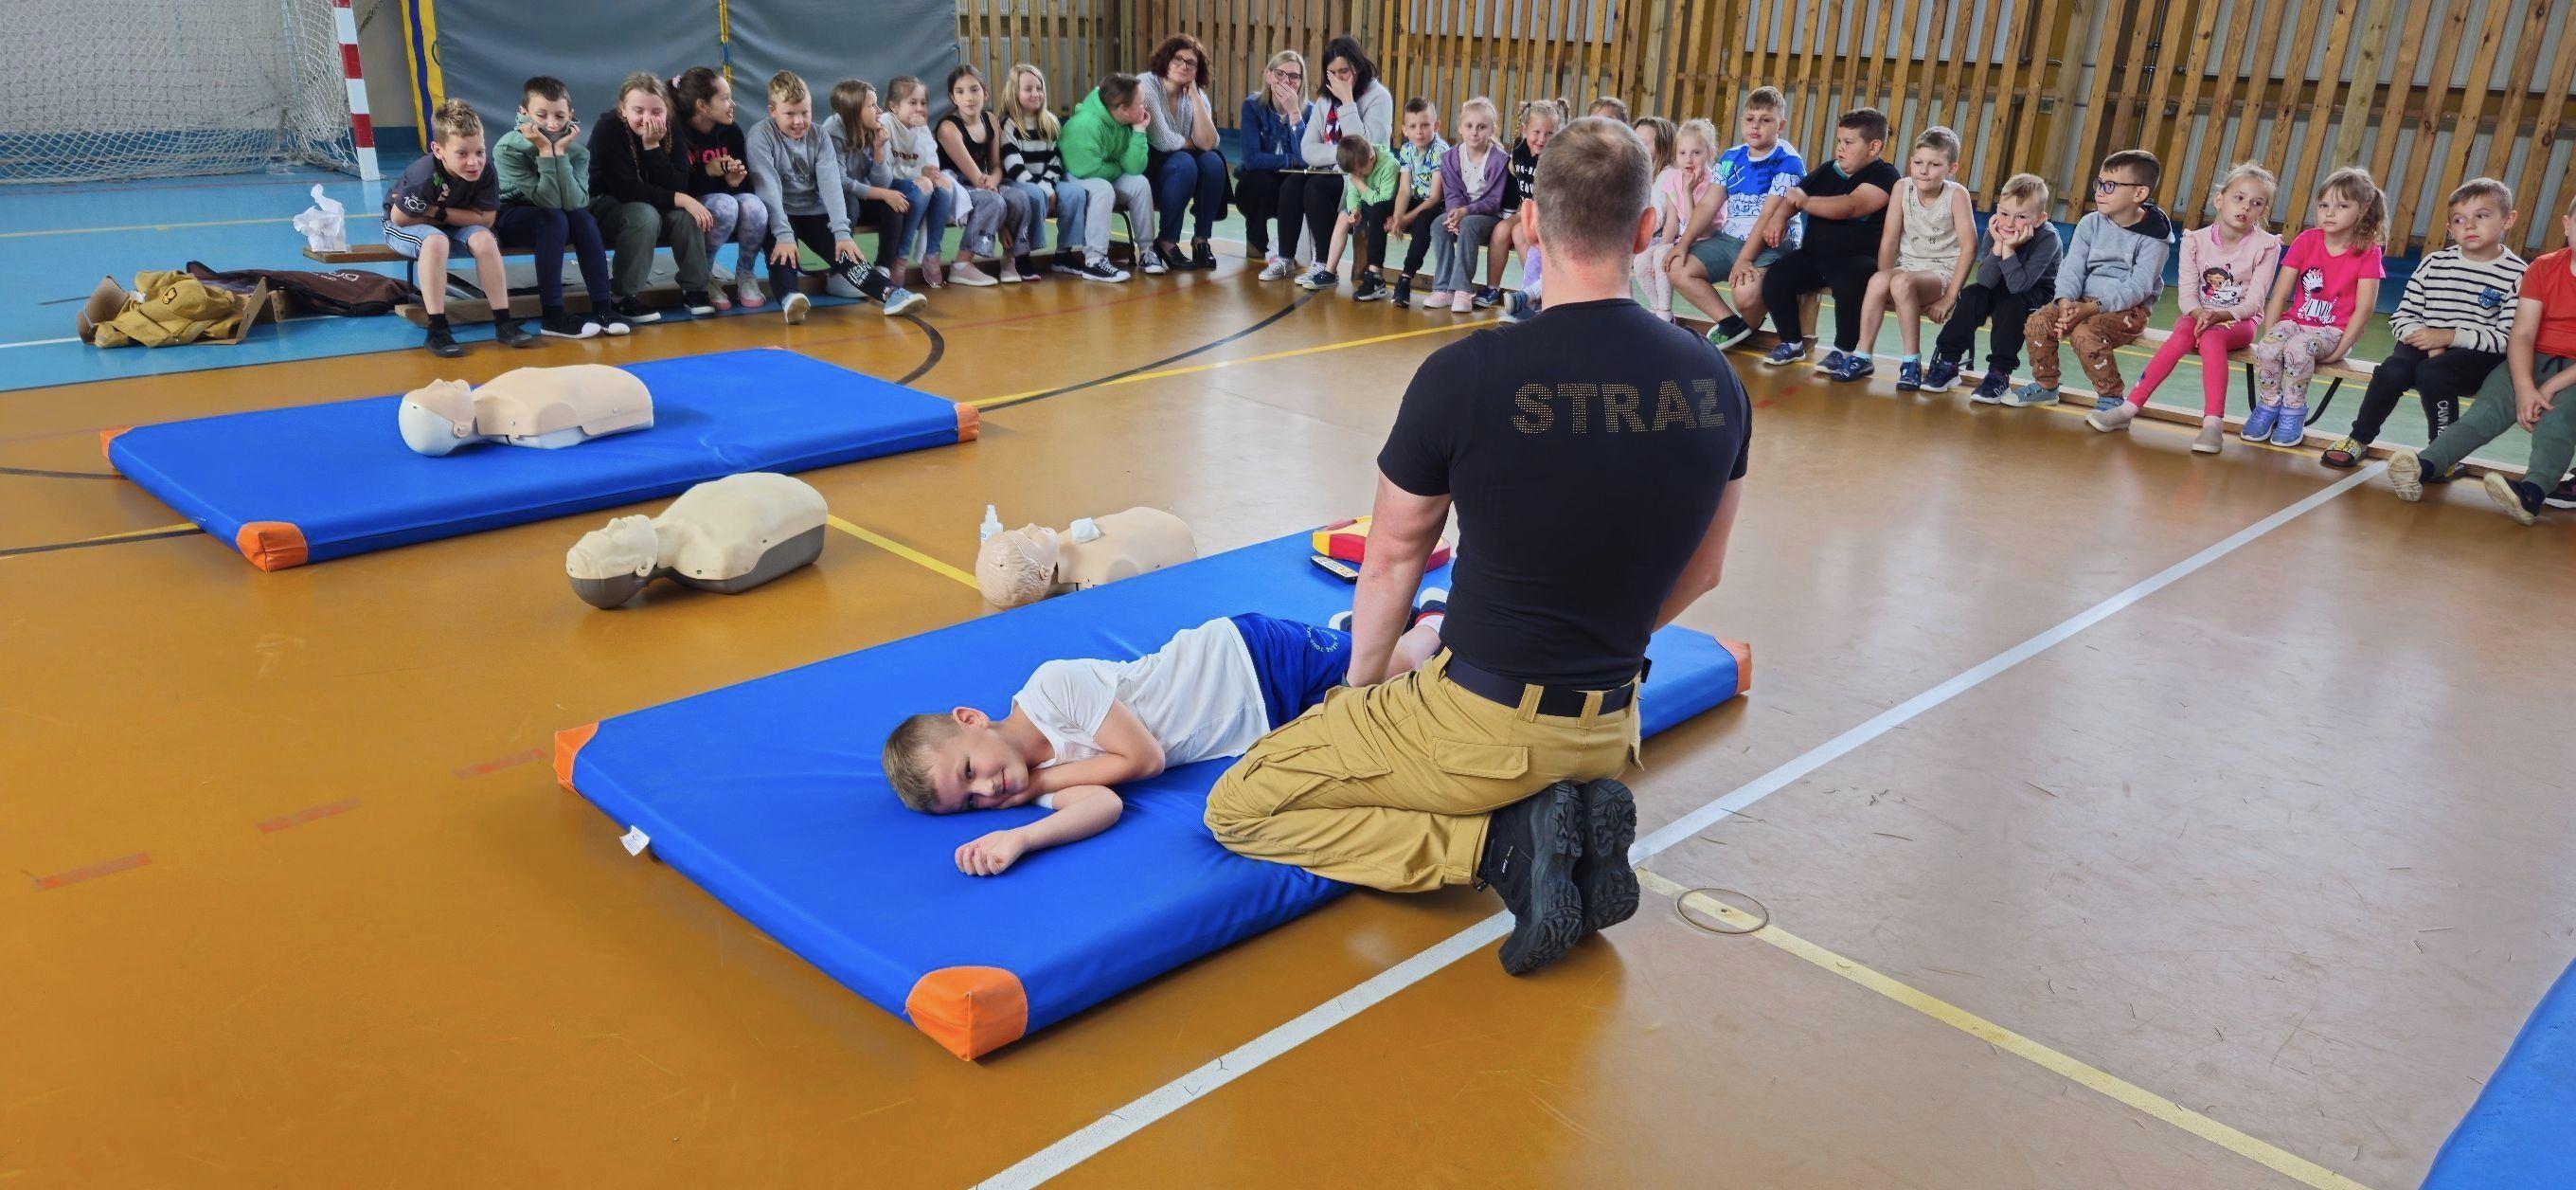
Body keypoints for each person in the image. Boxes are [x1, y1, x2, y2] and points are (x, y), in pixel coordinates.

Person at [1206, 117, 1752, 978]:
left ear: (1530, 224)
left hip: (1482, 725)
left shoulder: (1471, 375)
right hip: (1611, 724)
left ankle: (1500, 847)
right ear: (1647, 230)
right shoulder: (1714, 376)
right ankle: (1543, 815)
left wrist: (1355, 699)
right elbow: (1708, 569)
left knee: (1240, 804)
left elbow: (1390, 560)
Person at [884, 605, 1447, 875]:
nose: (987, 789)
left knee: (1397, 669)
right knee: (1373, 714)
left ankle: (1435, 618)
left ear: (971, 718)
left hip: (1251, 657)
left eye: (968, 773)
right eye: (973, 802)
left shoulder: (1053, 688)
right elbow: (1103, 803)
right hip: (1262, 722)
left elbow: (1143, 760)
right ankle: (1356, 635)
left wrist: (1040, 781)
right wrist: (1022, 837)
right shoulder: (1021, 791)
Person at [2388, 192, 2576, 524]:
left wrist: (2546, 390)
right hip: (2530, 358)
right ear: (2566, 225)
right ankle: (2426, 465)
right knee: (2486, 412)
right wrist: (2523, 385)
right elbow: (2521, 335)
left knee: (2557, 421)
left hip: (2572, 372)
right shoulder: (2544, 268)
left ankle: (2531, 493)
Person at [2324, 177, 2526, 471]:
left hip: (2475, 354)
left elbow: (2506, 338)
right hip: (2422, 341)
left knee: (2435, 372)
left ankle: (2443, 452)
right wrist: (2423, 337)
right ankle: (2359, 438)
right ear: (2449, 228)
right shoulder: (2434, 263)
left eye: (2481, 216)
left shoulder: (2518, 274)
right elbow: (2403, 315)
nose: (2469, 226)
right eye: (2459, 220)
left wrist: (2448, 337)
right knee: (2392, 371)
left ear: (2508, 219)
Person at [2083, 162, 2280, 451]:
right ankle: (2128, 410)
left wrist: (2222, 315)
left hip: (2237, 320)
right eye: (2238, 198)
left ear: (2262, 211)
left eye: (2256, 203)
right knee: (2182, 334)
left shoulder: (2266, 246)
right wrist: (2200, 312)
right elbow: (2187, 294)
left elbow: (2253, 302)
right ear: (2220, 200)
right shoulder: (2195, 241)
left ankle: (2213, 425)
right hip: (2198, 315)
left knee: (2212, 336)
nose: (2245, 207)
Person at [744, 70, 926, 324]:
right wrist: (784, 234)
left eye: (805, 113)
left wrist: (842, 234)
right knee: (782, 252)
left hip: (813, 211)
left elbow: (831, 185)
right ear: (772, 111)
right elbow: (768, 187)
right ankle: (790, 297)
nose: (799, 121)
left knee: (847, 255)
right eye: (790, 114)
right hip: (779, 212)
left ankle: (890, 293)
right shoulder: (760, 135)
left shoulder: (819, 136)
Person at [2009, 148, 2173, 410]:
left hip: (2127, 308)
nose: (2100, 191)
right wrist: (2064, 301)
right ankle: (2047, 386)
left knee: (2084, 335)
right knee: (2038, 322)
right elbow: (2072, 267)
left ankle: (2111, 397)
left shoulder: (2155, 237)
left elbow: (2138, 287)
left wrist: (2090, 309)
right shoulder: (2090, 223)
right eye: (2099, 183)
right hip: (2080, 300)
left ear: (2139, 193)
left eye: (2110, 185)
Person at [2238, 168, 2387, 445]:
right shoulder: (2307, 240)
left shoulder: (2368, 250)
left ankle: (2293, 411)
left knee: (2298, 348)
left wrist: (2341, 350)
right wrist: (2271, 334)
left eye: (2342, 206)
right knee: (2270, 346)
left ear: (2363, 209)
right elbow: (2279, 292)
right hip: (2296, 323)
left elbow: (2364, 309)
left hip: (2334, 331)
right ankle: (2269, 405)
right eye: (2324, 205)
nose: (2330, 213)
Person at [1753, 106, 1898, 378]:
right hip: (1815, 257)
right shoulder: (1829, 171)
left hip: (1855, 260)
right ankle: (1792, 342)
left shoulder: (1885, 176)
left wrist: (1805, 202)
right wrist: (1780, 216)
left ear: (1873, 147)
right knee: (1776, 278)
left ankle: (1844, 350)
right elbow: (1795, 195)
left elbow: (1851, 206)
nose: (1840, 149)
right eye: (1839, 141)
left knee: (1849, 283)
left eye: (1848, 143)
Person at [385, 99, 530, 356]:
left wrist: (436, 212)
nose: (474, 162)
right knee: (435, 242)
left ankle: (503, 321)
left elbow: (485, 220)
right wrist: (446, 220)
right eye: (462, 154)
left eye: (480, 152)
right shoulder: (423, 175)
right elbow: (400, 218)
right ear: (438, 150)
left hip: (440, 219)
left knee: (485, 239)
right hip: (404, 224)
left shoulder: (486, 172)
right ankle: (437, 329)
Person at [490, 77, 620, 340]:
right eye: (541, 115)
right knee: (554, 219)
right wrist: (545, 152)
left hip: (556, 213)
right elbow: (547, 201)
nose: (551, 124)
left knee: (583, 219)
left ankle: (604, 308)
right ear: (523, 113)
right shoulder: (506, 148)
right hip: (511, 215)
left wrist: (560, 152)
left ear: (571, 115)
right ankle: (552, 314)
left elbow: (576, 202)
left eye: (560, 116)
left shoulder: (578, 153)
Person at [1673, 85, 1802, 349]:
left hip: (1770, 243)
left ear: (1781, 125)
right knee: (1677, 266)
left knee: (1745, 294)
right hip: (1730, 239)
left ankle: (1749, 323)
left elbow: (1768, 217)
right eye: (1750, 119)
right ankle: (1733, 324)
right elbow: (1709, 204)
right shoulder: (1732, 158)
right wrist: (1684, 243)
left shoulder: (1788, 161)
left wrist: (1744, 260)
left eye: (1765, 120)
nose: (1756, 126)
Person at [587, 72, 715, 320]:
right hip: (606, 203)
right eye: (638, 111)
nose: (648, 119)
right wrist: (681, 198)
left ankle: (695, 289)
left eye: (656, 111)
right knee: (645, 215)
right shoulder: (608, 128)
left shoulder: (672, 129)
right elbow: (626, 189)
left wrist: (652, 147)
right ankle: (622, 296)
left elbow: (679, 181)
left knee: (685, 217)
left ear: (666, 109)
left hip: (655, 205)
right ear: (623, 109)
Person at [1854, 126, 1974, 389]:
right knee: (1877, 281)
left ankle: (1911, 362)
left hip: (1940, 271)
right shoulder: (1902, 187)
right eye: (1918, 162)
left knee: (1901, 284)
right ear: (1911, 162)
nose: (1923, 170)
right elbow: (1889, 238)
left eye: (1934, 164)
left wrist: (1949, 298)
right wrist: (1885, 277)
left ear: (1951, 168)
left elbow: (1969, 248)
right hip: (1907, 267)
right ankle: (1862, 355)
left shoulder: (1956, 195)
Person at [1939, 173, 2063, 403]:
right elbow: (1986, 280)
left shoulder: (2048, 239)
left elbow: (2019, 286)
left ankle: (1999, 373)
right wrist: (1998, 244)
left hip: (2033, 293)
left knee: (2011, 305)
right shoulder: (1996, 230)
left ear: (2039, 219)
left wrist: (2009, 248)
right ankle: (1948, 362)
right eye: (2004, 213)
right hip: (2000, 284)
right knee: (1972, 294)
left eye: (2021, 216)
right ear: (1997, 210)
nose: (2009, 223)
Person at [1281, 37, 1394, 288]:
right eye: (1331, 73)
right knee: (1292, 183)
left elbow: (1366, 152)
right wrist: (1341, 155)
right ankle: (1286, 258)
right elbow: (1308, 149)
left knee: (1316, 187)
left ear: (1358, 66)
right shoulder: (1324, 100)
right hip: (1334, 171)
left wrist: (1347, 103)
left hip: (1362, 179)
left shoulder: (1378, 97)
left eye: (1344, 71)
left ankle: (1324, 265)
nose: (1338, 78)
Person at [817, 80, 924, 307]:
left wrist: (878, 151)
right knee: (852, 203)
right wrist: (883, 194)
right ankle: (839, 272)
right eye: (872, 106)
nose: (879, 111)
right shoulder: (832, 131)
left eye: (878, 105)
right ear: (855, 110)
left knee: (893, 205)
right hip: (836, 199)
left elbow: (882, 182)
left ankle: (882, 269)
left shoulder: (876, 129)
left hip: (861, 193)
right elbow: (840, 182)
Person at [1000, 63, 1110, 281]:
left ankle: (1063, 254)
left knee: (1074, 193)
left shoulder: (1049, 122)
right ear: (1014, 93)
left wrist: (1048, 186)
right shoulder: (1009, 124)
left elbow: (1055, 161)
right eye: (1028, 89)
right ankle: (1023, 255)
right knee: (1032, 194)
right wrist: (1041, 189)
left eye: (1039, 88)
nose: (1035, 93)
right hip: (1016, 182)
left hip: (1044, 181)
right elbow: (1013, 165)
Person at [671, 66, 767, 310]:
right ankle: (703, 275)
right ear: (702, 106)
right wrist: (707, 172)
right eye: (725, 99)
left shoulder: (731, 131)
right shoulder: (677, 133)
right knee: (725, 206)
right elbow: (677, 187)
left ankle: (745, 273)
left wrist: (734, 181)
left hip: (724, 200)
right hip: (688, 206)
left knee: (754, 206)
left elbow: (744, 186)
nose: (732, 103)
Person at [1138, 34, 1228, 271]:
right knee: (1185, 161)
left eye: (1191, 63)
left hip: (1181, 167)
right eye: (1178, 59)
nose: (1183, 66)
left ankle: (1201, 241)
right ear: (1166, 60)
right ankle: (1166, 241)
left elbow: (1209, 142)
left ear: (1198, 71)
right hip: (1148, 167)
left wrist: (1196, 97)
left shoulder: (1195, 95)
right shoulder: (1147, 85)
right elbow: (1162, 139)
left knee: (1212, 162)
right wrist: (1191, 143)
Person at [1060, 73, 1162, 276]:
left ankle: (1147, 251)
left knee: (1140, 183)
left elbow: (1134, 168)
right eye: (1140, 103)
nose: (1145, 108)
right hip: (1074, 176)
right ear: (1123, 109)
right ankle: (1094, 260)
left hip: (1103, 173)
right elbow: (1085, 169)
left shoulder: (1126, 123)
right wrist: (1118, 166)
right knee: (1103, 189)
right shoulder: (1086, 125)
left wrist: (1140, 131)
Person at [1426, 96, 1509, 313]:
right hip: (1461, 212)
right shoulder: (1451, 158)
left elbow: (1493, 201)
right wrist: (1454, 214)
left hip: (1487, 217)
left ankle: (1462, 289)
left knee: (1470, 224)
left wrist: (1465, 213)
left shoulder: (1499, 159)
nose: (1474, 132)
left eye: (1482, 127)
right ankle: (1444, 288)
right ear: (1460, 129)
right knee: (1438, 224)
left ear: (1492, 130)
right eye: (1469, 126)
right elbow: (1452, 193)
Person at [879, 75, 961, 287]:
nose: (919, 109)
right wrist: (919, 174)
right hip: (891, 185)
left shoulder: (921, 128)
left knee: (944, 184)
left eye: (923, 103)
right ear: (894, 106)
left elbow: (931, 164)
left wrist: (924, 133)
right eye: (912, 103)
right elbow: (886, 171)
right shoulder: (885, 123)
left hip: (915, 184)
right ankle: (901, 256)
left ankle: (932, 254)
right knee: (925, 184)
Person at [933, 64, 1011, 286]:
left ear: (985, 92)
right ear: (952, 97)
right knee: (993, 200)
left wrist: (994, 179)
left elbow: (996, 166)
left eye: (974, 90)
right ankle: (961, 265)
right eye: (960, 92)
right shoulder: (948, 128)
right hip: (950, 187)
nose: (969, 97)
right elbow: (976, 177)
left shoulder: (991, 120)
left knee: (1018, 197)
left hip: (980, 183)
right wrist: (1001, 222)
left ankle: (1012, 259)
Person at [1237, 50, 1312, 278]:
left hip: (1292, 182)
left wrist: (1293, 113)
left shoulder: (1310, 112)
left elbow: (1307, 159)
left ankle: (1289, 250)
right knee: (1258, 179)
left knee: (1299, 183)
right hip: (1260, 183)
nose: (1286, 81)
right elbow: (1252, 159)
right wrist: (1290, 160)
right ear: (1269, 76)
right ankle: (1256, 239)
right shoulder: (1252, 106)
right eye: (1280, 73)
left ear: (1301, 82)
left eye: (1294, 76)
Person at [1485, 99, 1561, 321]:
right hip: (1527, 209)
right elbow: (1513, 182)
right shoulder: (1518, 148)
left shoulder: (1556, 157)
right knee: (1501, 230)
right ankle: (1492, 288)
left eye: (1549, 133)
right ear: (1524, 129)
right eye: (1536, 132)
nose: (1542, 139)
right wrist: (1509, 214)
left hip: (1549, 214)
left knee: (1521, 234)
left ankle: (1534, 295)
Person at [1301, 135, 1400, 299]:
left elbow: (1383, 202)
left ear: (1372, 157)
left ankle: (1374, 277)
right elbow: (1353, 194)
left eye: (1360, 172)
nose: (1357, 175)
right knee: (1343, 216)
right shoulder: (1357, 166)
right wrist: (1354, 210)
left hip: (1386, 209)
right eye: (1354, 174)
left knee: (1375, 212)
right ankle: (1329, 272)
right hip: (1368, 205)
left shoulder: (1390, 166)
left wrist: (1360, 184)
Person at [1633, 116, 1702, 322]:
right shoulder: (1645, 172)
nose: (1638, 147)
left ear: (1662, 146)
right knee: (1638, 262)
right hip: (1654, 236)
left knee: (1650, 258)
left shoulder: (1668, 175)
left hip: (1669, 237)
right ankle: (1659, 310)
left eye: (1644, 143)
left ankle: (1663, 311)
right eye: (1635, 141)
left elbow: (1659, 218)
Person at [1384, 97, 1450, 308]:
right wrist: (1396, 217)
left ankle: (1406, 277)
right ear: (1405, 130)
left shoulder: (1440, 151)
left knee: (1423, 223)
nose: (1419, 131)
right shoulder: (1407, 150)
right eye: (1413, 126)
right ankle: (1373, 272)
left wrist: (1405, 218)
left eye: (1425, 125)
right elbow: (1404, 190)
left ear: (1436, 126)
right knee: (1379, 210)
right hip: (1416, 199)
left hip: (1437, 205)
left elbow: (1435, 197)